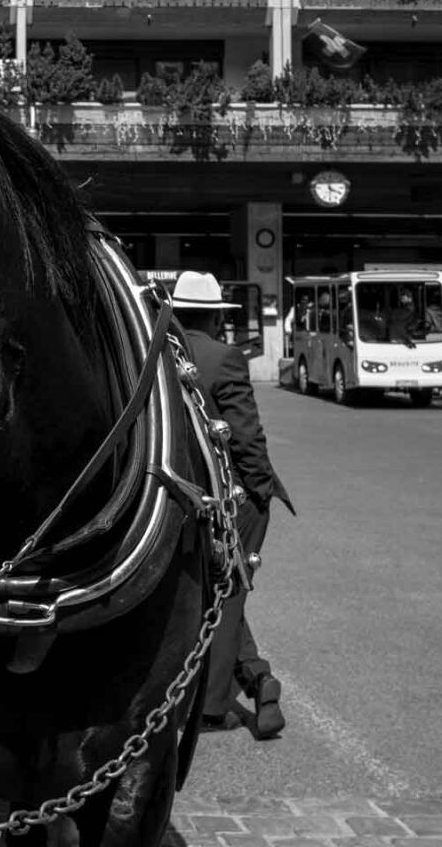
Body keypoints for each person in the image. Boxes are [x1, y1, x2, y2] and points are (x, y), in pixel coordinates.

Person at [170, 271, 295, 741]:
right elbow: (246, 435)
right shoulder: (223, 356)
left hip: (179, 488)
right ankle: (213, 705)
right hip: (232, 493)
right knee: (228, 592)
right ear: (213, 314)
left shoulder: (158, 350)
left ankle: (260, 679)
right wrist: (261, 491)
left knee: (204, 590)